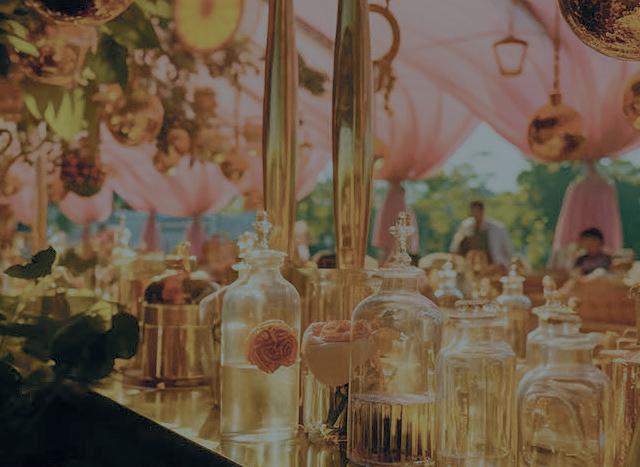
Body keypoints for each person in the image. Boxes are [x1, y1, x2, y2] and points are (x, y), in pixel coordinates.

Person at [450, 200, 513, 270]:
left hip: (493, 267)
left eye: (478, 211)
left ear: (483, 211)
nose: (476, 214)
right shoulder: (466, 227)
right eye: (473, 212)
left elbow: (508, 251)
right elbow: (455, 248)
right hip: (470, 266)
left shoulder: (498, 228)